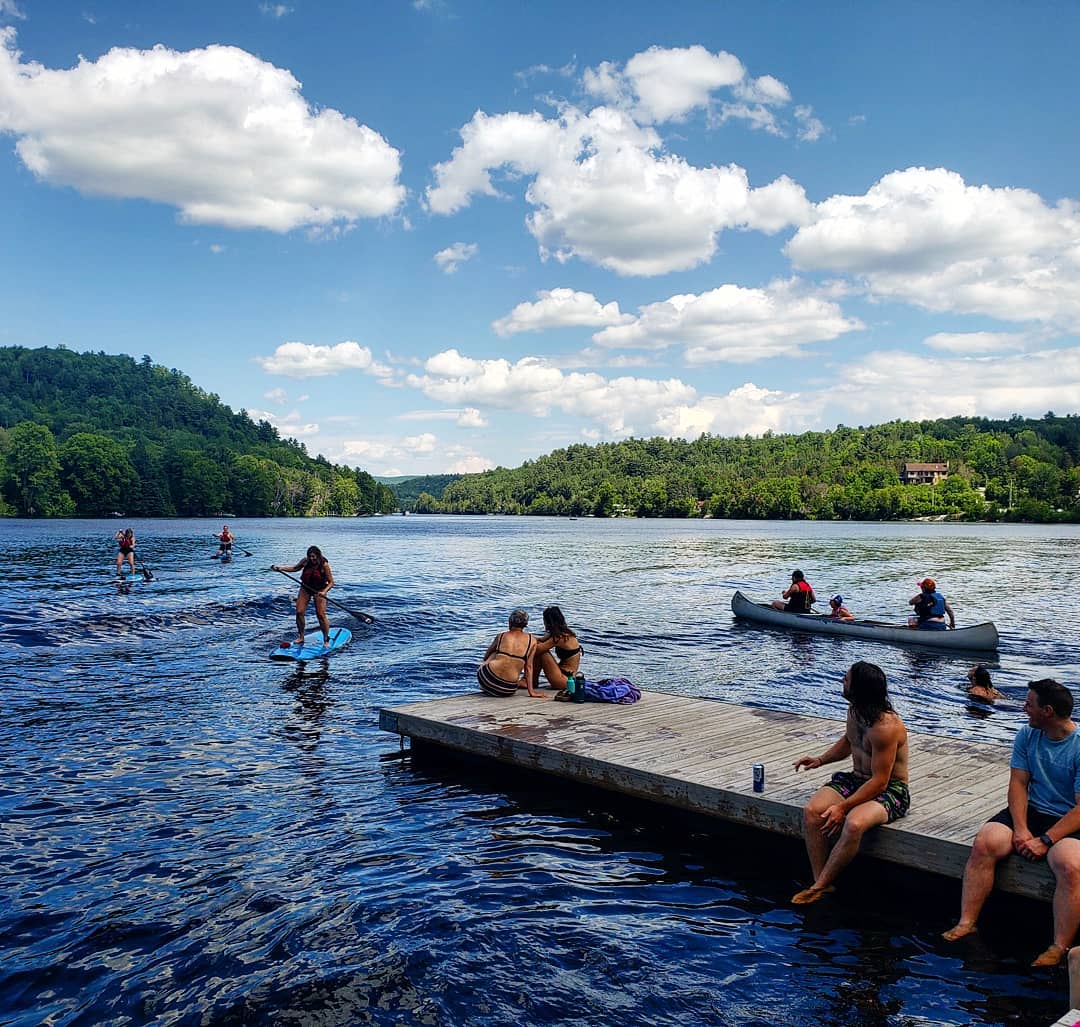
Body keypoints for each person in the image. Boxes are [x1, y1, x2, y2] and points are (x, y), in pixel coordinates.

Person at [943, 679, 1080, 966]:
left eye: (1029, 704)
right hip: (1034, 810)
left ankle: (1059, 945)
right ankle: (967, 922)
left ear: (1048, 711)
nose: (1023, 708)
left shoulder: (1077, 746)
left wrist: (1046, 840)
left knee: (1069, 865)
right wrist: (1021, 829)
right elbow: (1018, 784)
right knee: (986, 842)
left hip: (1070, 818)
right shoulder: (1027, 735)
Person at [791, 661, 910, 904]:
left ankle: (818, 886)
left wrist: (842, 808)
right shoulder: (855, 711)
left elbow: (880, 782)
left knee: (854, 824)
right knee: (812, 811)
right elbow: (849, 741)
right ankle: (821, 882)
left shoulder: (886, 728)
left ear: (859, 689)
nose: (841, 682)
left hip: (890, 789)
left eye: (846, 680)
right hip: (856, 779)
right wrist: (820, 760)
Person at [271, 546, 334, 648]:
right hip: (305, 588)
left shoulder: (324, 564)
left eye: (313, 557)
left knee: (321, 615)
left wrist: (324, 592)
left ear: (318, 556)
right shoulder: (305, 561)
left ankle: (326, 639)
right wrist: (280, 568)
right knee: (299, 612)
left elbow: (331, 582)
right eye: (310, 556)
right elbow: (295, 568)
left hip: (319, 590)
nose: (311, 559)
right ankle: (301, 637)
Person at [477, 609, 548, 699]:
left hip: (485, 679)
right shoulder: (532, 641)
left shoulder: (501, 636)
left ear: (510, 622)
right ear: (525, 625)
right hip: (507, 688)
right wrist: (532, 692)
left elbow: (486, 657)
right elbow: (528, 667)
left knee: (495, 652)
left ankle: (487, 686)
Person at [532, 605, 583, 690]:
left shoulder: (559, 637)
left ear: (548, 622)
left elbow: (536, 650)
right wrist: (526, 637)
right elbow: (540, 640)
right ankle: (532, 681)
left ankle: (531, 681)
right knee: (540, 648)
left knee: (542, 653)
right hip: (567, 677)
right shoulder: (564, 634)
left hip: (564, 680)